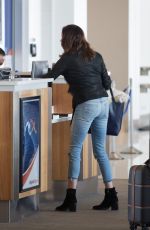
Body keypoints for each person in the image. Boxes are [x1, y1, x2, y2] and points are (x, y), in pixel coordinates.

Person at [49, 24, 119, 212]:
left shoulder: (68, 58)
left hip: (87, 105)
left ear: (68, 39)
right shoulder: (96, 56)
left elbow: (49, 77)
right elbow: (107, 82)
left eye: (62, 36)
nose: (60, 39)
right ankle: (111, 195)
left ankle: (71, 199)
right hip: (103, 104)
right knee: (100, 151)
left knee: (75, 150)